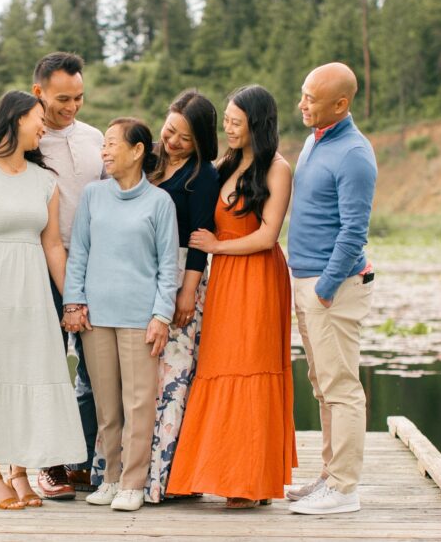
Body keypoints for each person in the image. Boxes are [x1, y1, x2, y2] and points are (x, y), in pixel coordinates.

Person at [0, 52, 102, 499]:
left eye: (79, 97)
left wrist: (73, 296)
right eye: (40, 117)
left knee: (31, 373)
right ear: (23, 114)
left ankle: (21, 471)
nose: (46, 126)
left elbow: (52, 244)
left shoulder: (46, 175)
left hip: (37, 287)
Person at [167, 85, 297, 508]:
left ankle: (249, 480)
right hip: (224, 280)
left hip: (257, 277)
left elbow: (267, 234)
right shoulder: (225, 165)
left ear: (257, 124)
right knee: (218, 366)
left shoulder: (276, 169)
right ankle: (215, 471)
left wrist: (217, 246)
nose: (228, 128)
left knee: (251, 368)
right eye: (225, 121)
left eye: (236, 122)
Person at [86, 91, 220, 502]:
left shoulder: (202, 175)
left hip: (180, 277)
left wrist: (187, 292)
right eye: (170, 130)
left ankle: (161, 478)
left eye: (185, 137)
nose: (174, 141)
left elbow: (197, 241)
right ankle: (115, 473)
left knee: (170, 383)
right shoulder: (149, 160)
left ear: (200, 141)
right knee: (124, 386)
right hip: (134, 274)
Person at [63, 117, 179, 512]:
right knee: (106, 407)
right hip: (96, 319)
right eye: (104, 144)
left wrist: (161, 316)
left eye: (113, 144)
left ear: (137, 150)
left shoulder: (160, 202)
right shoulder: (94, 196)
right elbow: (78, 253)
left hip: (139, 319)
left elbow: (169, 266)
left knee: (138, 404)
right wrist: (73, 303)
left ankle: (133, 483)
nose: (105, 151)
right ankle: (110, 478)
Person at [285, 62, 377, 516]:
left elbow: (354, 231)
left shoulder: (355, 154)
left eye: (311, 98)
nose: (302, 104)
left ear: (340, 104)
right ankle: (328, 476)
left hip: (333, 288)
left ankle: (345, 490)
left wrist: (323, 287)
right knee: (322, 386)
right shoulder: (312, 142)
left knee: (342, 388)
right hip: (306, 282)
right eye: (302, 94)